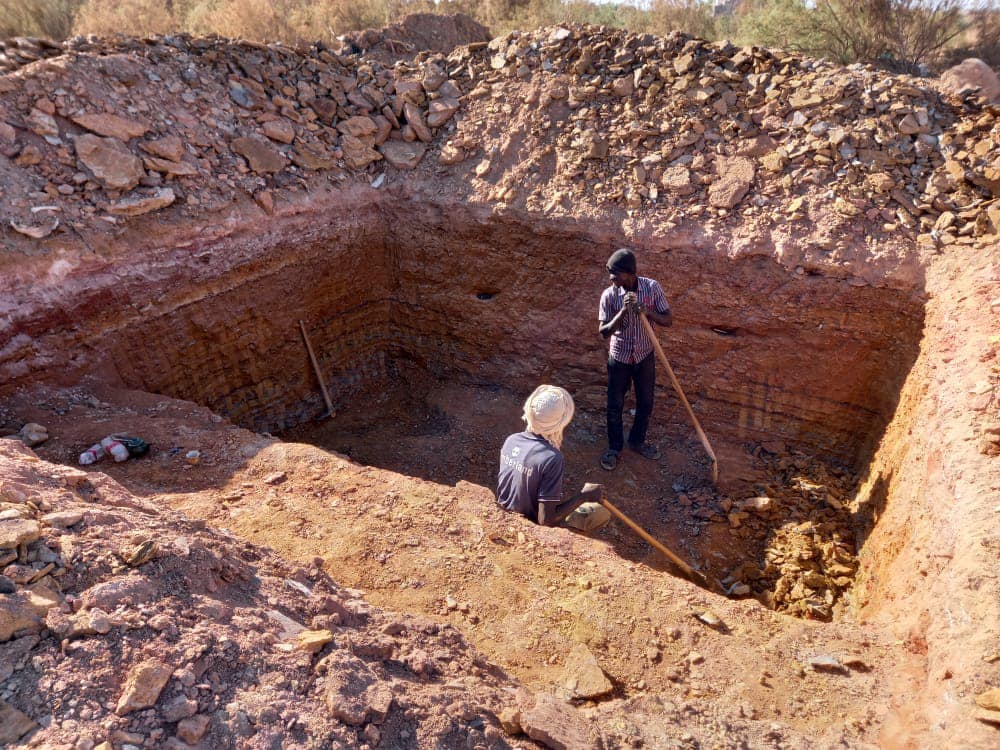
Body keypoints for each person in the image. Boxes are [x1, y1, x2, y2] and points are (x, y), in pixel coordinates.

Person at [598, 248, 673, 471]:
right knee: (615, 405)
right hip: (619, 358)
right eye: (610, 273)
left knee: (645, 403)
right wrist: (623, 311)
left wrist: (648, 312)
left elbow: (668, 319)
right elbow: (604, 332)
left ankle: (637, 441)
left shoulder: (652, 288)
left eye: (615, 274)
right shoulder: (609, 295)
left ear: (629, 273)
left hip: (644, 356)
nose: (611, 278)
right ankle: (614, 448)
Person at [496, 385, 610, 530]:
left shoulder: (512, 440)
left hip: (503, 517)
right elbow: (546, 520)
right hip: (527, 529)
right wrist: (584, 496)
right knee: (599, 513)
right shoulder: (552, 458)